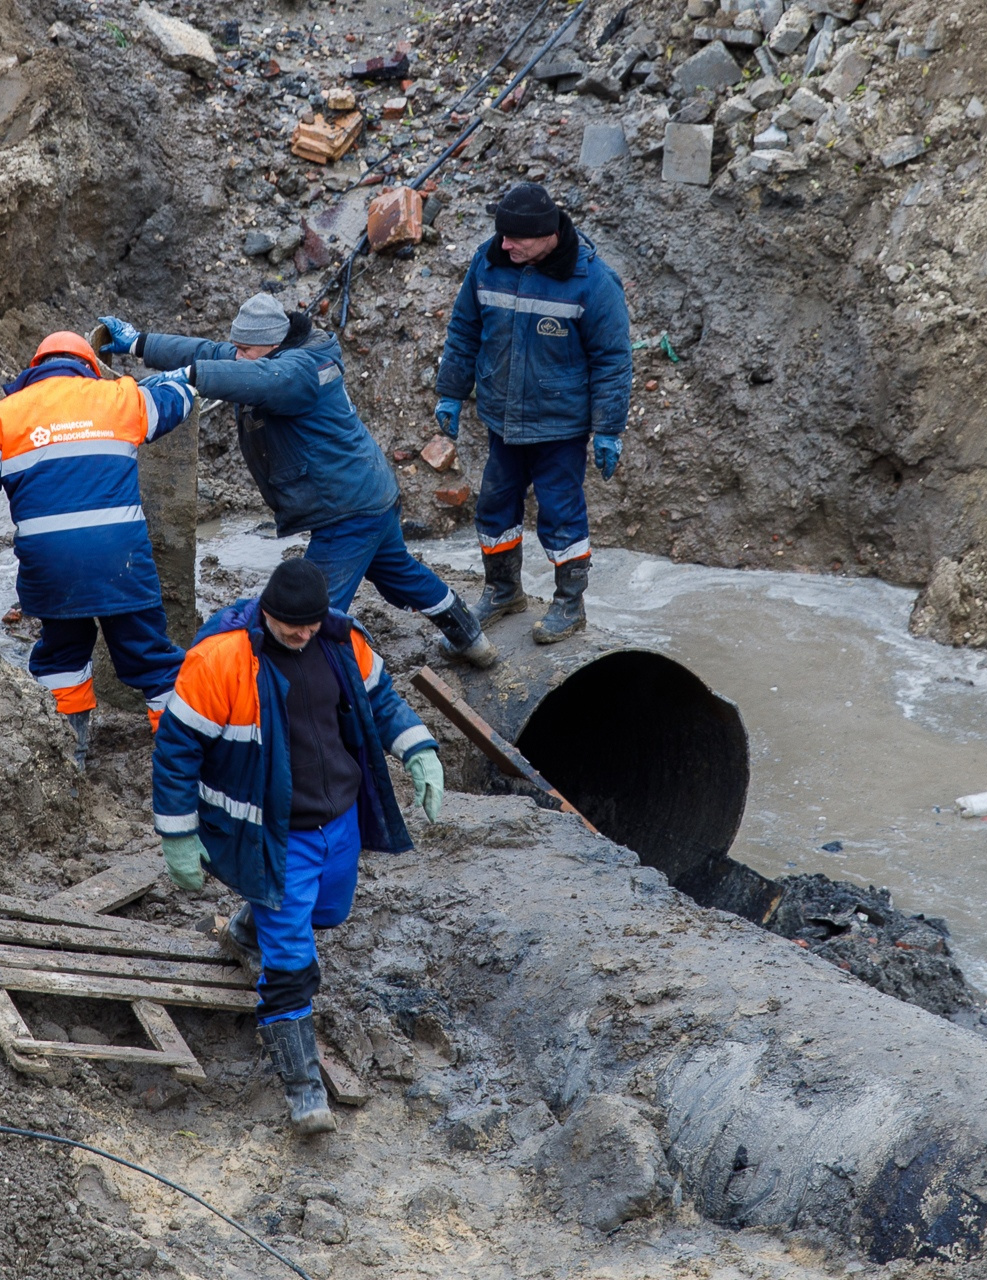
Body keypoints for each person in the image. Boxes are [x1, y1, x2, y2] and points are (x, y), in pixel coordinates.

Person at [151, 559, 443, 1134]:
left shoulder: (340, 639)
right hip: (275, 833)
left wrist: (418, 749)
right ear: (267, 611)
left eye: (309, 624)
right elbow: (176, 752)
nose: (301, 635)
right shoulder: (220, 660)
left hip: (339, 823)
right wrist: (177, 834)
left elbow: (382, 703)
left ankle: (251, 923)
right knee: (292, 961)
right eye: (290, 625)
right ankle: (303, 1088)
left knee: (328, 913)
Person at [95, 298, 497, 668]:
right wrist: (139, 344)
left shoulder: (302, 371)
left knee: (303, 609)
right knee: (399, 571)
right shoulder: (266, 354)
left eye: (245, 350)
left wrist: (190, 377)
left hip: (348, 510)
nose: (237, 355)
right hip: (370, 493)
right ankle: (471, 637)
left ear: (271, 344)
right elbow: (210, 353)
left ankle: (297, 684)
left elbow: (258, 379)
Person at [0, 331, 196, 767]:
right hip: (121, 562)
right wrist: (188, 373)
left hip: (51, 569)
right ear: (89, 366)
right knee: (152, 657)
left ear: (34, 369)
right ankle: (185, 758)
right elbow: (176, 400)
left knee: (61, 652)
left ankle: (69, 756)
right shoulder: (120, 398)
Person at [434, 183, 632, 644]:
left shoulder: (593, 282)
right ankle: (503, 591)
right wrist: (450, 391)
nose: (503, 245)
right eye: (501, 235)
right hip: (502, 419)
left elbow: (613, 359)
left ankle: (569, 605)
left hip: (559, 427)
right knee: (494, 506)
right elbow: (464, 329)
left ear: (546, 236)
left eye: (514, 238)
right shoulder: (489, 262)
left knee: (561, 514)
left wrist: (608, 428)